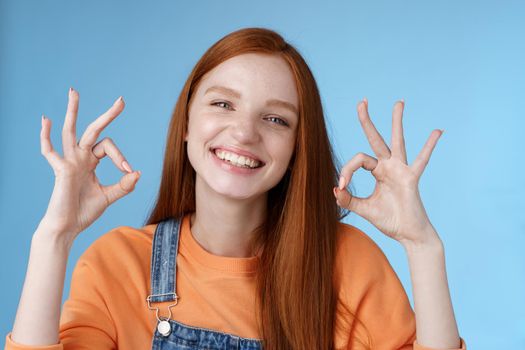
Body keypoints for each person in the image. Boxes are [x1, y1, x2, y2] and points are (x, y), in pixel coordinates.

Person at [5, 27, 466, 349]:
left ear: (296, 148)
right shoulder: (116, 266)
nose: (244, 133)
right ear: (186, 123)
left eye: (275, 119)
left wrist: (422, 246)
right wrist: (54, 238)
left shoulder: (347, 264)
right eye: (223, 103)